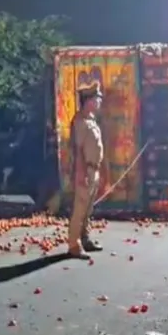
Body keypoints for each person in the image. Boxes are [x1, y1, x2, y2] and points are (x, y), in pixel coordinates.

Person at [68, 84, 104, 259]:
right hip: (85, 171)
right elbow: (78, 151)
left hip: (94, 168)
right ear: (88, 101)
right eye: (97, 98)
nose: (99, 101)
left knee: (88, 209)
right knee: (80, 209)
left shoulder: (91, 120)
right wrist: (81, 174)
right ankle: (74, 244)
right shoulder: (80, 122)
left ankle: (85, 238)